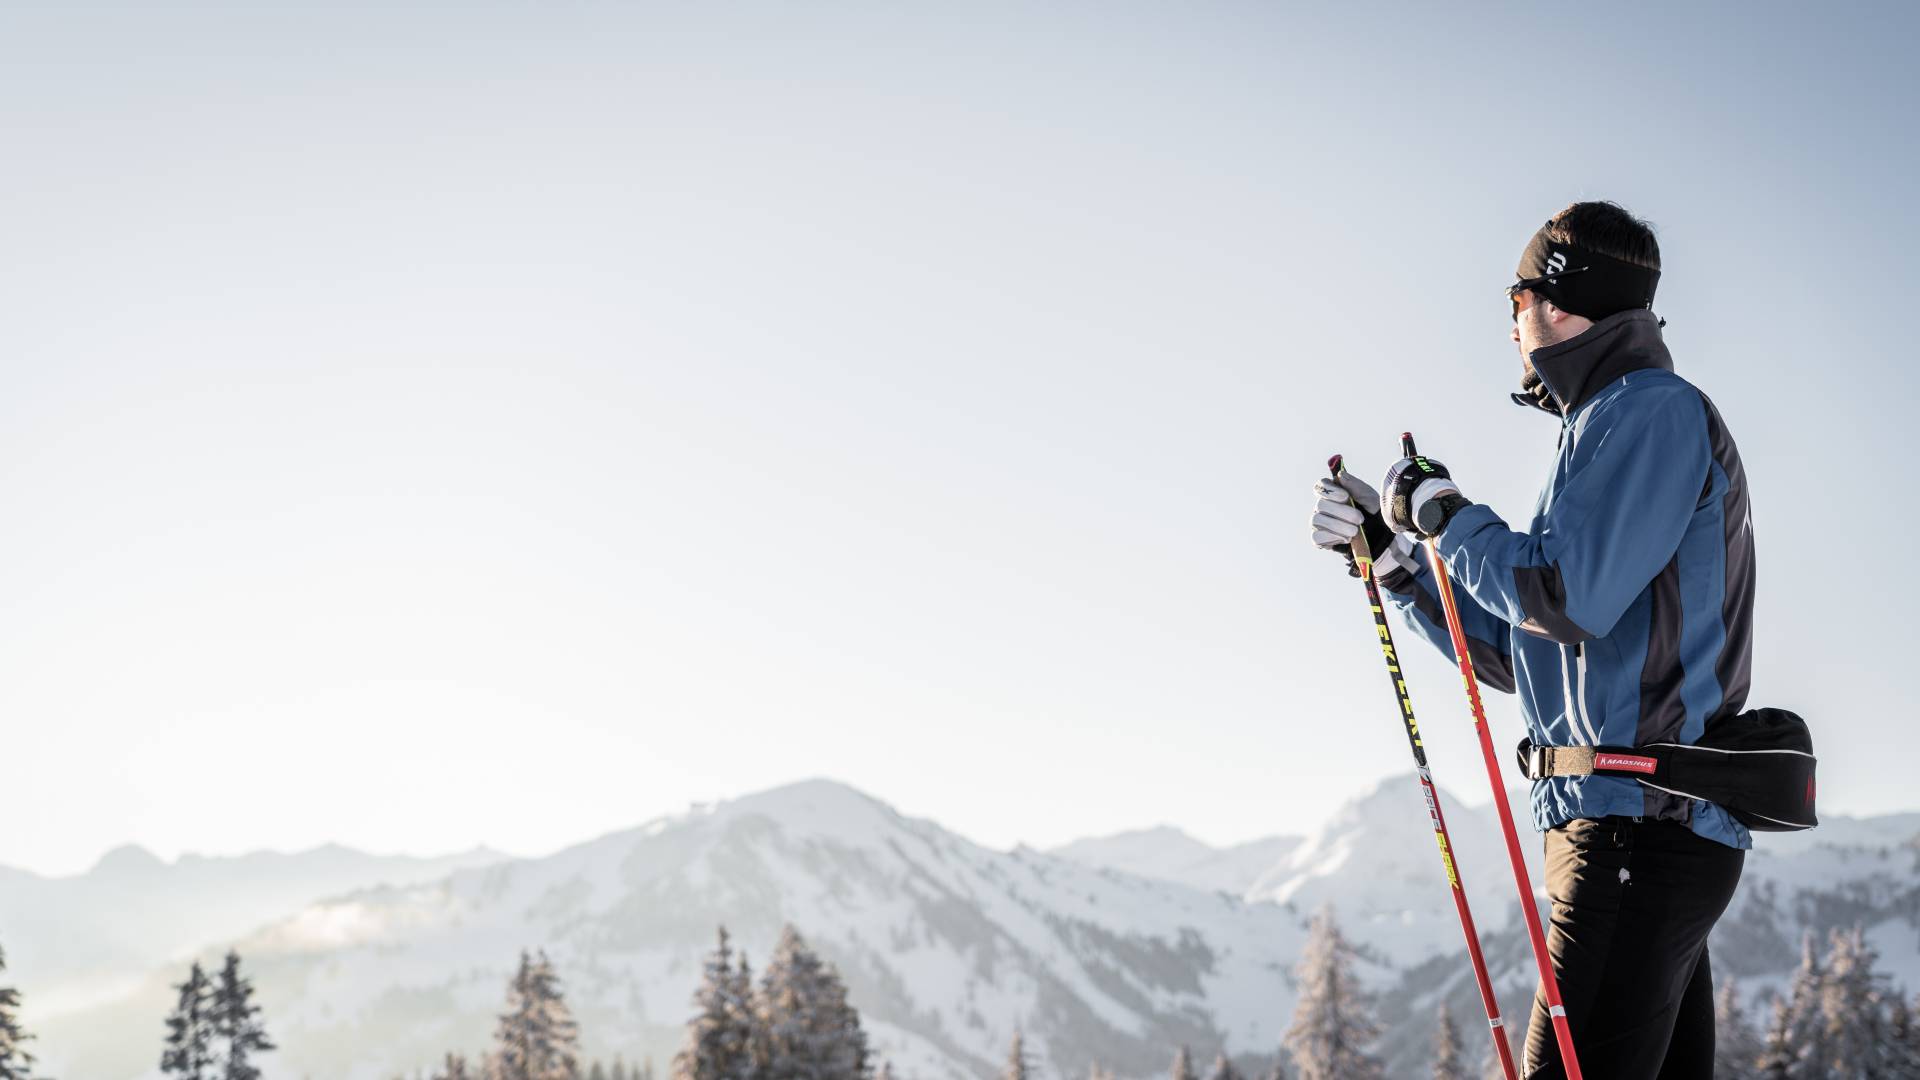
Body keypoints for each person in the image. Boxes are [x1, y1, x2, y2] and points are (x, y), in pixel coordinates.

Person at [1308, 201, 1753, 1078]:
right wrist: (1399, 563)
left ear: (1553, 302)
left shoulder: (1650, 410)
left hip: (1637, 830)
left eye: (1513, 299)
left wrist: (1447, 516)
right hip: (1629, 829)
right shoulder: (1605, 427)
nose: (1509, 326)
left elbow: (1562, 593)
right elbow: (1528, 654)